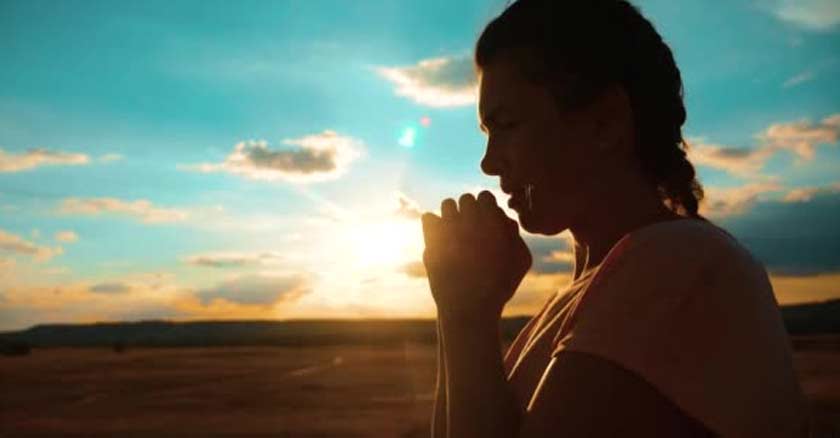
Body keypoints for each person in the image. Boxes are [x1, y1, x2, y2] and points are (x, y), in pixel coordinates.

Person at [419, 0, 809, 437]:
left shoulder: (677, 262)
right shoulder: (583, 294)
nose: (489, 164)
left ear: (605, 123)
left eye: (506, 125)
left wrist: (468, 318)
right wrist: (457, 309)